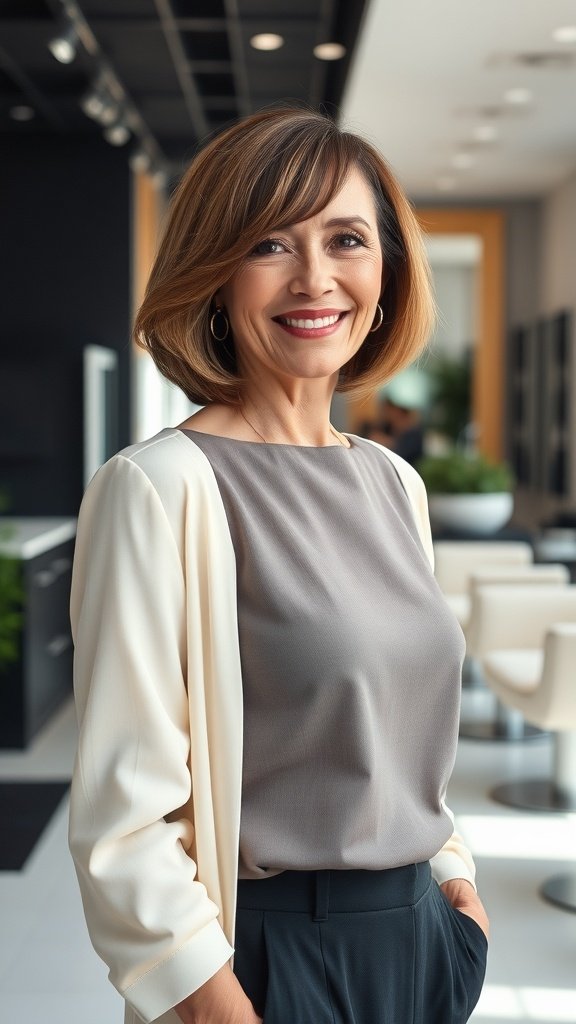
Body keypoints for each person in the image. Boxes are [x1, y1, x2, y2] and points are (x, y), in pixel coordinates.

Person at [69, 107, 489, 1024]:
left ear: (386, 267)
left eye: (346, 239)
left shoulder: (394, 482)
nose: (316, 279)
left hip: (421, 943)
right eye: (269, 244)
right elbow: (123, 824)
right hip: (266, 964)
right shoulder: (160, 488)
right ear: (217, 275)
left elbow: (405, 734)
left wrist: (458, 891)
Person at [363, 369, 429, 465]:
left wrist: (386, 443)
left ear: (397, 410)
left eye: (388, 408)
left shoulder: (414, 433)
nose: (384, 412)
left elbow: (403, 455)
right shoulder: (386, 427)